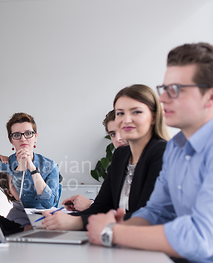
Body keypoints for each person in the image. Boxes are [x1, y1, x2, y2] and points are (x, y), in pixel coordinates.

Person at [86, 43, 213, 263]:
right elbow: (157, 211)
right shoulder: (176, 147)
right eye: (164, 88)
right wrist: (124, 227)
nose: (162, 99)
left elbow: (200, 237)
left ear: (209, 97)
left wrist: (113, 233)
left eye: (176, 89)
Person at [43, 84, 170, 231]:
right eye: (120, 113)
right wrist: (59, 219)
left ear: (153, 117)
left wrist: (77, 223)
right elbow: (101, 208)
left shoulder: (162, 151)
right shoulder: (121, 155)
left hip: (150, 245)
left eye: (136, 112)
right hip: (120, 242)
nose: (126, 120)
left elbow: (146, 216)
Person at [63, 109, 128, 212]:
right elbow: (106, 205)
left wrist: (90, 205)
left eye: (122, 131)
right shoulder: (117, 165)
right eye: (113, 134)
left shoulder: (151, 161)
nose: (118, 139)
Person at [0, 112, 60, 209]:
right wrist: (21, 168)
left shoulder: (50, 166)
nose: (23, 139)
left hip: (40, 219)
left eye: (28, 133)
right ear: (11, 140)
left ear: (35, 137)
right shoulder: (1, 165)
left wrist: (32, 168)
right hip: (12, 216)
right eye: (16, 135)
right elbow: (8, 200)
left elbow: (49, 203)